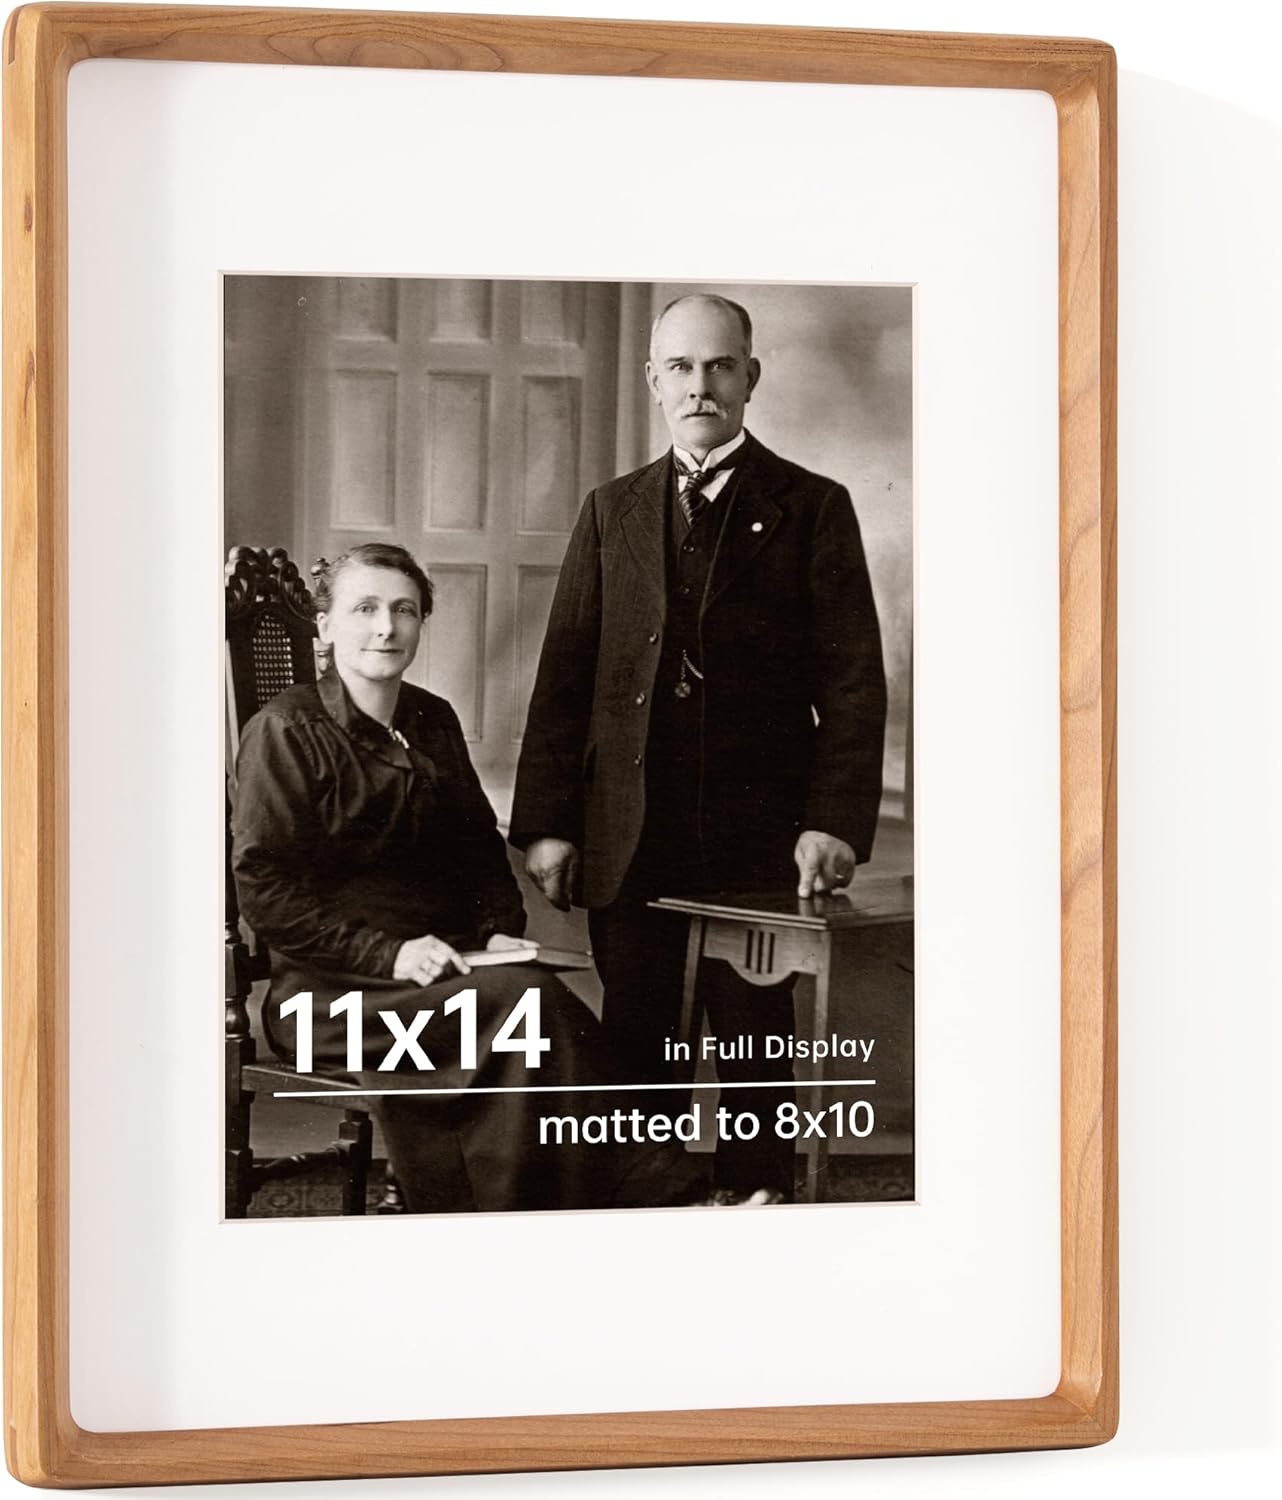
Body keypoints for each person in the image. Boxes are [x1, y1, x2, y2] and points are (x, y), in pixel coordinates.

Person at [510, 294, 888, 1203]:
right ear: (654, 382)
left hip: (756, 845)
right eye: (680, 368)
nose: (700, 386)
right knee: (637, 1049)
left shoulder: (812, 507)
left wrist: (833, 821)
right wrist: (550, 824)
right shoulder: (612, 511)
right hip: (631, 840)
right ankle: (650, 1220)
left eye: (719, 366)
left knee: (756, 1046)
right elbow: (564, 680)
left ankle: (763, 1216)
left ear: (750, 378)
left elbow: (852, 683)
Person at [230, 541, 694, 1214]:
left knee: (533, 1000)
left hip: (442, 976)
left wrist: (498, 931)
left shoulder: (433, 718)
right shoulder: (284, 730)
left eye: (404, 610)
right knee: (528, 1006)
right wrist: (390, 954)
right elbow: (265, 891)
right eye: (365, 609)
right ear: (325, 627)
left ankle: (574, 1211)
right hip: (330, 1002)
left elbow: (479, 849)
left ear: (421, 623)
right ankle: (653, 1197)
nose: (386, 627)